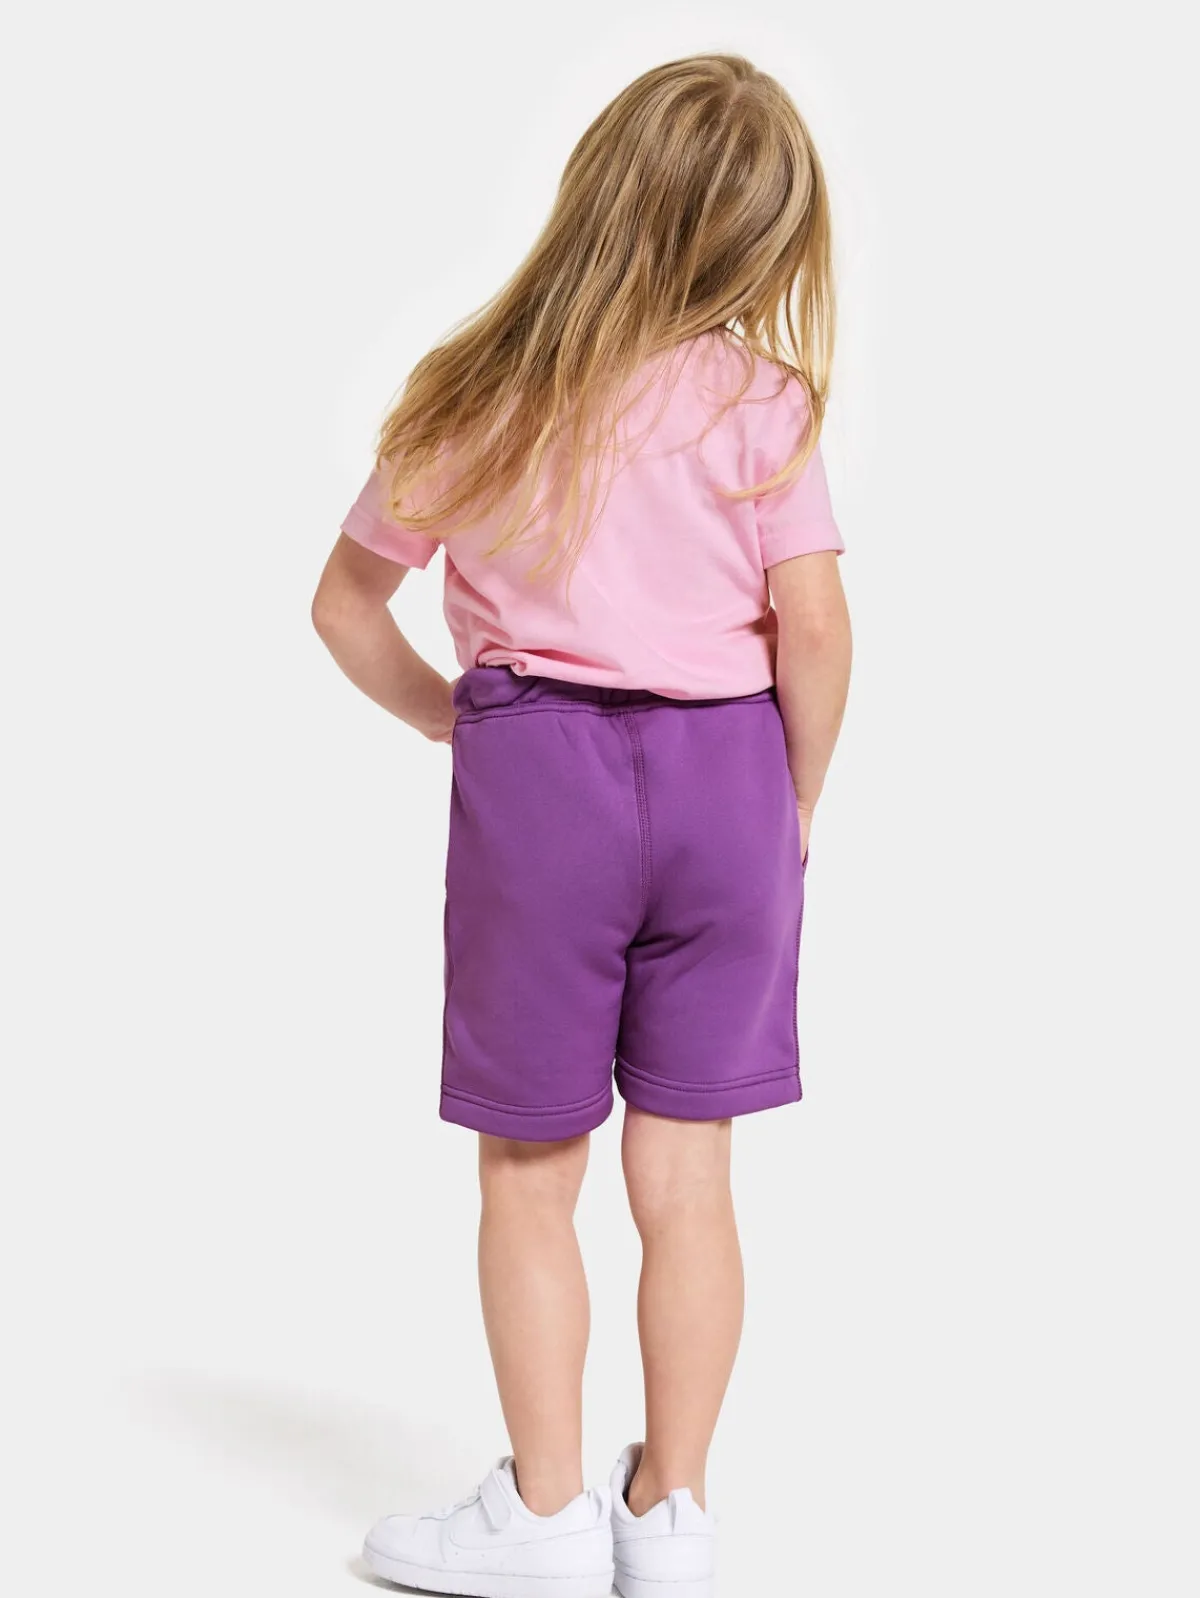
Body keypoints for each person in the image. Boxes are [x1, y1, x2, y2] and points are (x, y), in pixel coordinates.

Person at [313, 51, 852, 1598]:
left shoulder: (480, 385)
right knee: (688, 1177)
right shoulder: (766, 402)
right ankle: (671, 1513)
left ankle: (546, 1512)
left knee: (530, 1166)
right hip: (729, 778)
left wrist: (451, 714)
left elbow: (344, 603)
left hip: (536, 779)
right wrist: (793, 801)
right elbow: (816, 630)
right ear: (763, 241)